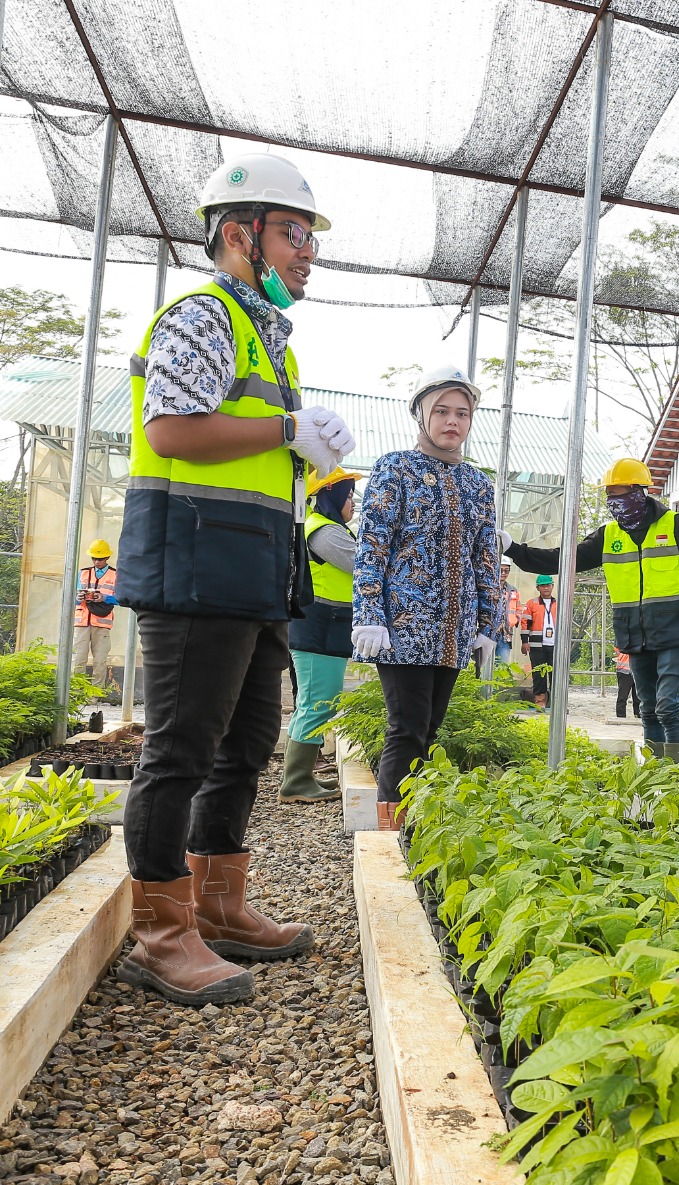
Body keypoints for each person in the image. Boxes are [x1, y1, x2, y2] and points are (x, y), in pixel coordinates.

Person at [116, 153, 354, 1006]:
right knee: (179, 751)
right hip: (195, 565)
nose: (306, 252)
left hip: (251, 571)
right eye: (294, 233)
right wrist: (287, 428)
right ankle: (159, 934)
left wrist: (294, 440)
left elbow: (248, 442)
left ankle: (218, 907)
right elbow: (175, 430)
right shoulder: (203, 315)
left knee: (247, 745)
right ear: (238, 232)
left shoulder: (262, 333)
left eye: (307, 238)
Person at [351, 366, 500, 817]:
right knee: (408, 729)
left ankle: (412, 823)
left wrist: (489, 624)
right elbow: (372, 543)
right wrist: (368, 612)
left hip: (455, 629)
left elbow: (486, 558)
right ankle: (390, 828)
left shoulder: (478, 484)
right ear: (421, 415)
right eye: (441, 411)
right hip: (403, 626)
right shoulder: (395, 468)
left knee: (430, 730)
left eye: (462, 413)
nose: (452, 421)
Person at [505, 457, 679, 760]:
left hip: (673, 633)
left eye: (620, 493)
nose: (614, 501)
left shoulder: (674, 524)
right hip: (635, 638)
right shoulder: (608, 536)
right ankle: (658, 773)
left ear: (641, 491)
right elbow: (561, 558)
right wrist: (514, 549)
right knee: (649, 709)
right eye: (610, 495)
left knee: (668, 705)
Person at [281, 466, 363, 804]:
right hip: (318, 628)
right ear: (331, 496)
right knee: (316, 703)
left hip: (327, 628)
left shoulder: (329, 528)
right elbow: (362, 565)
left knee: (317, 702)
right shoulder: (325, 532)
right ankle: (296, 781)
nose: (353, 502)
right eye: (348, 496)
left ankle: (304, 775)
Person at [72, 538, 118, 691]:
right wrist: (77, 599)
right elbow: (72, 598)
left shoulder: (115, 575)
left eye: (101, 558)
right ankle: (75, 693)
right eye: (94, 558)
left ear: (107, 558)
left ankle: (95, 695)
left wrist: (104, 598)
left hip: (102, 623)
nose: (97, 561)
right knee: (78, 660)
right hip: (81, 623)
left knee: (100, 661)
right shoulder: (83, 573)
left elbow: (122, 599)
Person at [524, 574, 558, 709]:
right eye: (543, 586)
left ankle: (556, 701)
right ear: (538, 587)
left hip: (555, 644)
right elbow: (525, 623)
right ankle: (540, 700)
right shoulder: (531, 603)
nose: (546, 588)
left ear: (552, 586)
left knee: (555, 674)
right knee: (538, 673)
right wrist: (524, 641)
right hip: (537, 644)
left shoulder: (558, 604)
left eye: (548, 585)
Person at [496, 563, 520, 668]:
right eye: (501, 570)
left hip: (505, 635)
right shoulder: (487, 587)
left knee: (501, 667)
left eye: (506, 571)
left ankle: (497, 685)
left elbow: (518, 608)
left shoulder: (513, 590)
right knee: (485, 667)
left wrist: (516, 619)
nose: (503, 573)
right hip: (489, 634)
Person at [614, 649, 640, 718]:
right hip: (624, 670)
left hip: (637, 669)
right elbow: (617, 649)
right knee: (623, 696)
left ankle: (638, 715)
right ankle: (621, 715)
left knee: (638, 697)